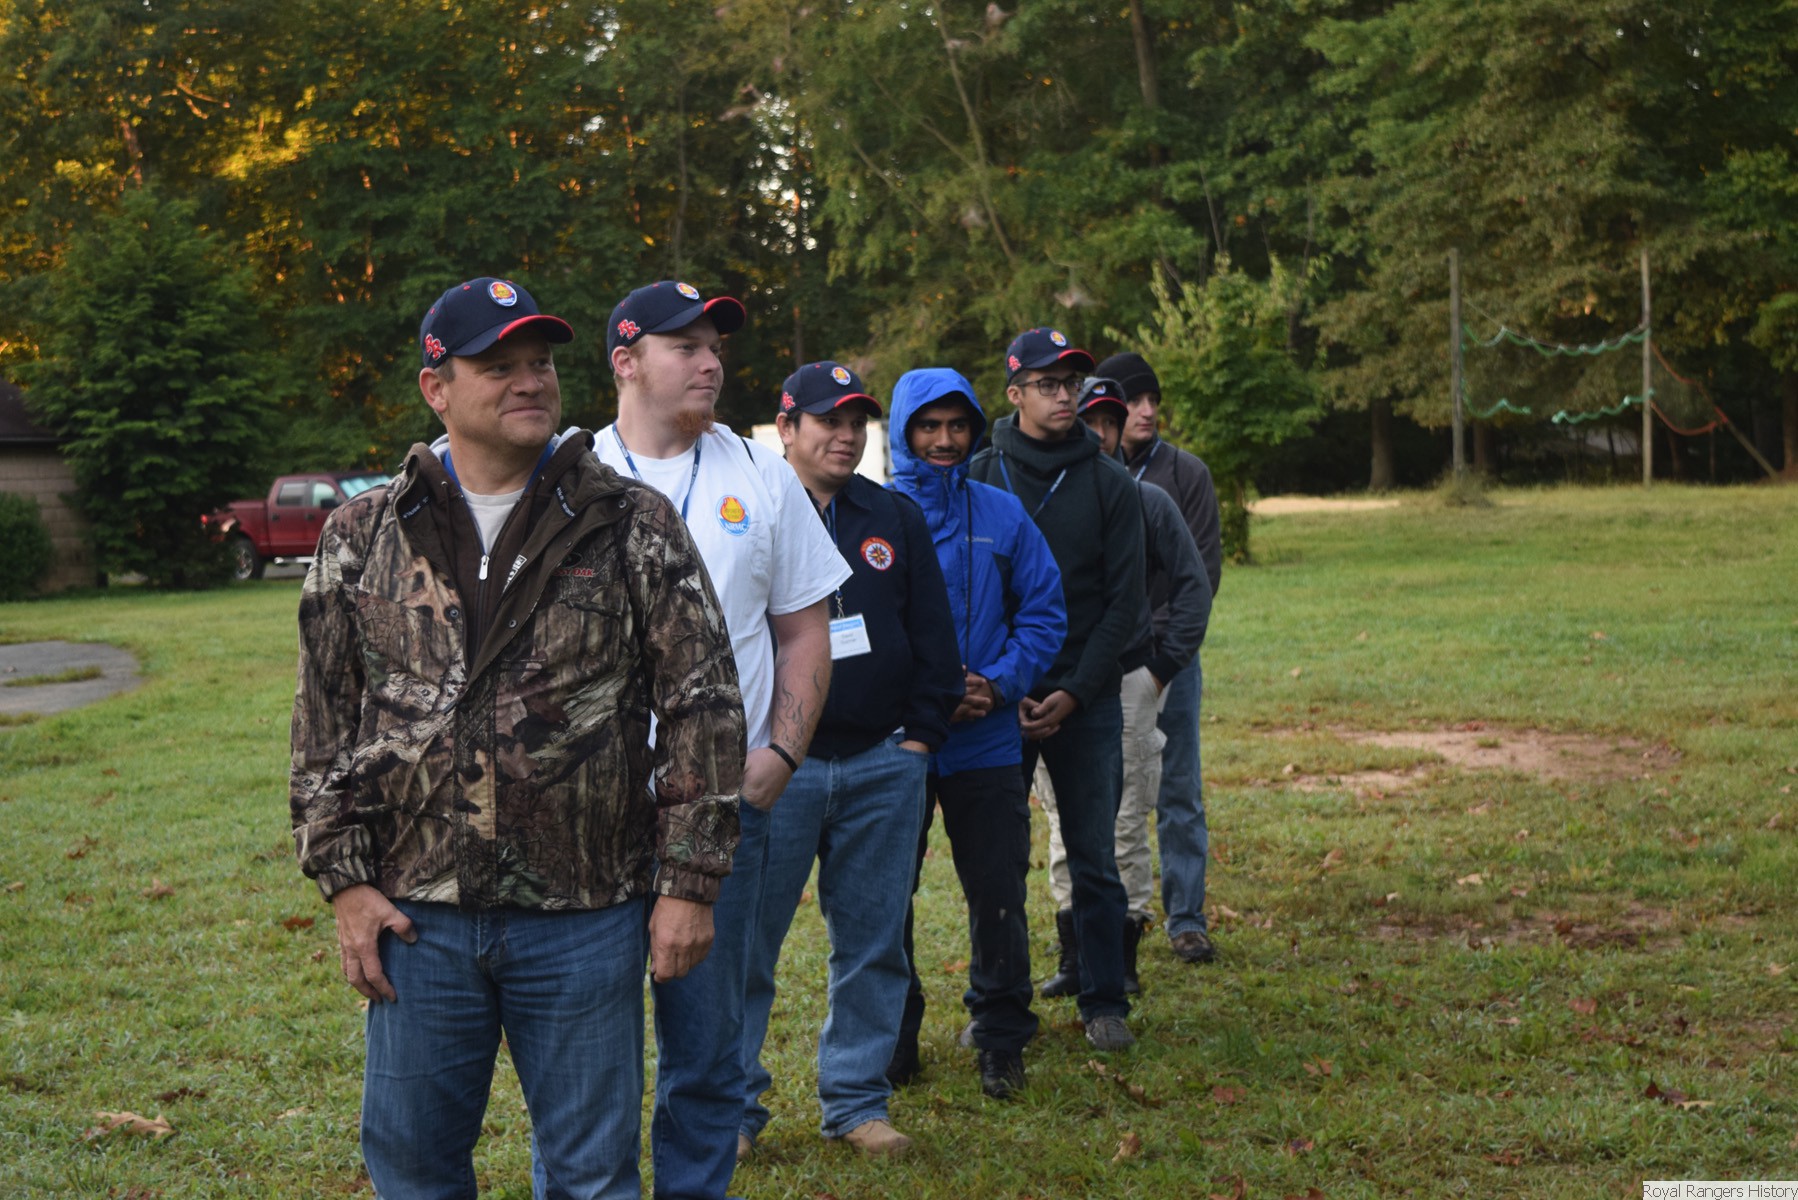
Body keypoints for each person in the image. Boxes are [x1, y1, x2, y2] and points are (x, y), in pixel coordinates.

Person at [291, 276, 747, 1200]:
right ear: (437, 389)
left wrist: (688, 885)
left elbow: (703, 705)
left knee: (591, 1178)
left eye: (539, 362)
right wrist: (345, 883)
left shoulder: (629, 523)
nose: (530, 381)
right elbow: (324, 721)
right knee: (414, 1169)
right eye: (498, 367)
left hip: (585, 916)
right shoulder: (363, 535)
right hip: (418, 918)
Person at [594, 281, 847, 1199]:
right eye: (687, 347)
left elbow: (805, 629)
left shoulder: (761, 475)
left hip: (721, 810)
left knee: (708, 1047)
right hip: (590, 815)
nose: (712, 363)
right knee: (588, 1052)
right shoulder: (570, 474)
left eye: (716, 348)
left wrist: (781, 754)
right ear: (626, 363)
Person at [739, 362, 964, 1157]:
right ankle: (731, 1112)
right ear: (787, 427)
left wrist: (921, 736)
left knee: (874, 944)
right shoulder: (751, 510)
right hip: (779, 770)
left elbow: (932, 630)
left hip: (882, 763)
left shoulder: (892, 516)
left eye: (856, 422)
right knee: (745, 947)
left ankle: (856, 1103)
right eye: (827, 420)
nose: (845, 435)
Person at [885, 367, 1066, 1098]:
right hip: (899, 742)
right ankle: (893, 1039)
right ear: (903, 431)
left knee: (997, 892)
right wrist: (925, 694)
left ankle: (1000, 1036)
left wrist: (998, 682)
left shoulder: (1002, 513)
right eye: (928, 426)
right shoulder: (873, 517)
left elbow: (1045, 610)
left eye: (957, 425)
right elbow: (845, 625)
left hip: (987, 740)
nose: (944, 440)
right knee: (884, 896)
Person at [967, 327, 1146, 1052]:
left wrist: (1074, 691)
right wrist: (999, 687)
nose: (1066, 395)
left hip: (1086, 700)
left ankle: (1104, 999)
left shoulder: (1108, 481)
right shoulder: (981, 474)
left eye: (1072, 382)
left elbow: (1124, 605)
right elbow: (964, 592)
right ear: (1015, 393)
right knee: (996, 864)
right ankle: (998, 1005)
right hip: (996, 704)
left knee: (1094, 857)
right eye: (1048, 384)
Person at [1036, 377, 1212, 998]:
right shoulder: (1041, 494)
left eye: (1110, 422)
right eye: (1091, 419)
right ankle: (1074, 955)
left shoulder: (1145, 500)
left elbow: (1194, 585)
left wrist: (1160, 668)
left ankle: (1122, 952)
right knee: (1061, 819)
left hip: (1126, 678)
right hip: (1052, 681)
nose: (1101, 432)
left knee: (1123, 819)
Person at [1095, 350, 1225, 965]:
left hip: (1170, 659)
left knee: (1178, 788)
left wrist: (1163, 662)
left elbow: (1199, 573)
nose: (1145, 411)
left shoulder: (1184, 474)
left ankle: (1187, 917)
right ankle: (1111, 918)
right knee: (1110, 795)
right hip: (1109, 666)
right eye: (1131, 401)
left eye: (1152, 400)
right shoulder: (1083, 475)